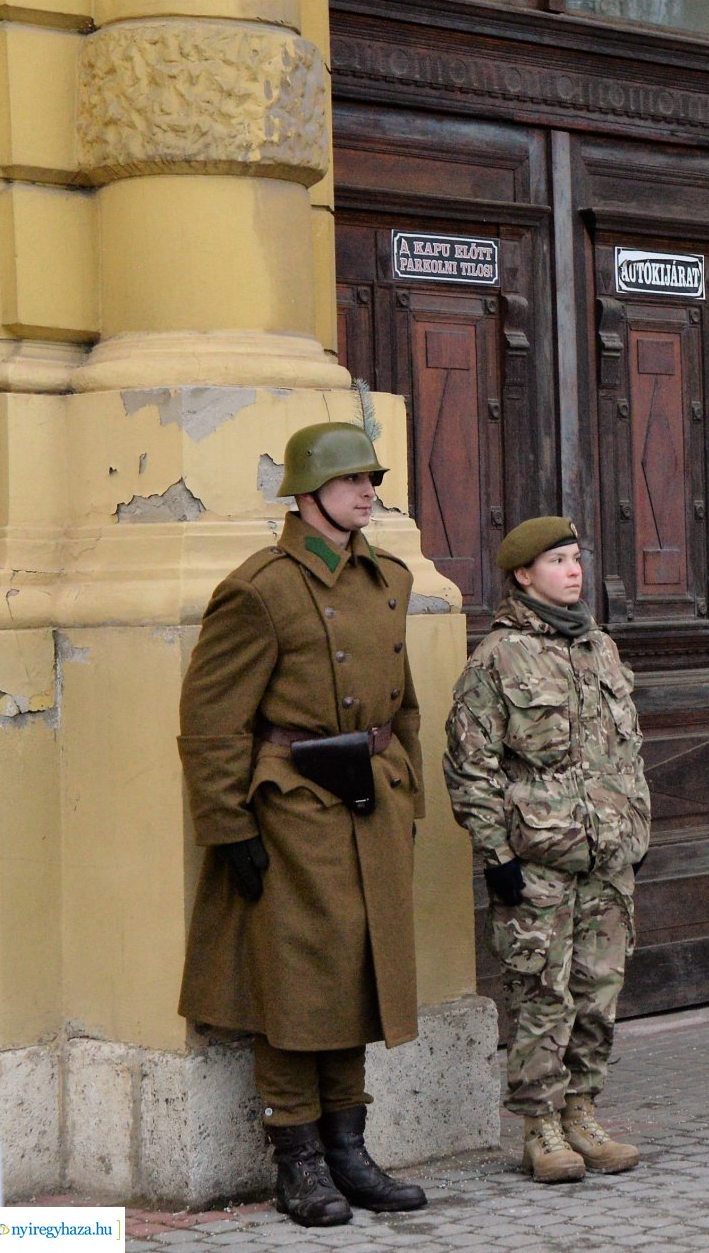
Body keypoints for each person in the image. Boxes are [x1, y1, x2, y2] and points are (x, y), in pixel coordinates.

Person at [177, 422, 428, 1228]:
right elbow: (212, 721)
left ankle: (349, 1150)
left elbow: (404, 705)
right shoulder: (262, 589)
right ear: (310, 491)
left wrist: (410, 795)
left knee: (357, 973)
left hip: (372, 800)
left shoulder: (388, 576)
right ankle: (299, 1161)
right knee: (296, 983)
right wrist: (228, 827)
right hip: (292, 809)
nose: (368, 492)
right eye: (353, 480)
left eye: (372, 479)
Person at [444, 517, 651, 1184]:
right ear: (523, 575)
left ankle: (583, 1112)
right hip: (537, 863)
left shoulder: (600, 648)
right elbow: (471, 766)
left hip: (607, 858)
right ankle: (540, 1128)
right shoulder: (497, 658)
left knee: (598, 992)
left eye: (576, 558)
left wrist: (635, 829)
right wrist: (495, 855)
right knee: (541, 996)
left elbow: (628, 750)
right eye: (558, 560)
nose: (574, 570)